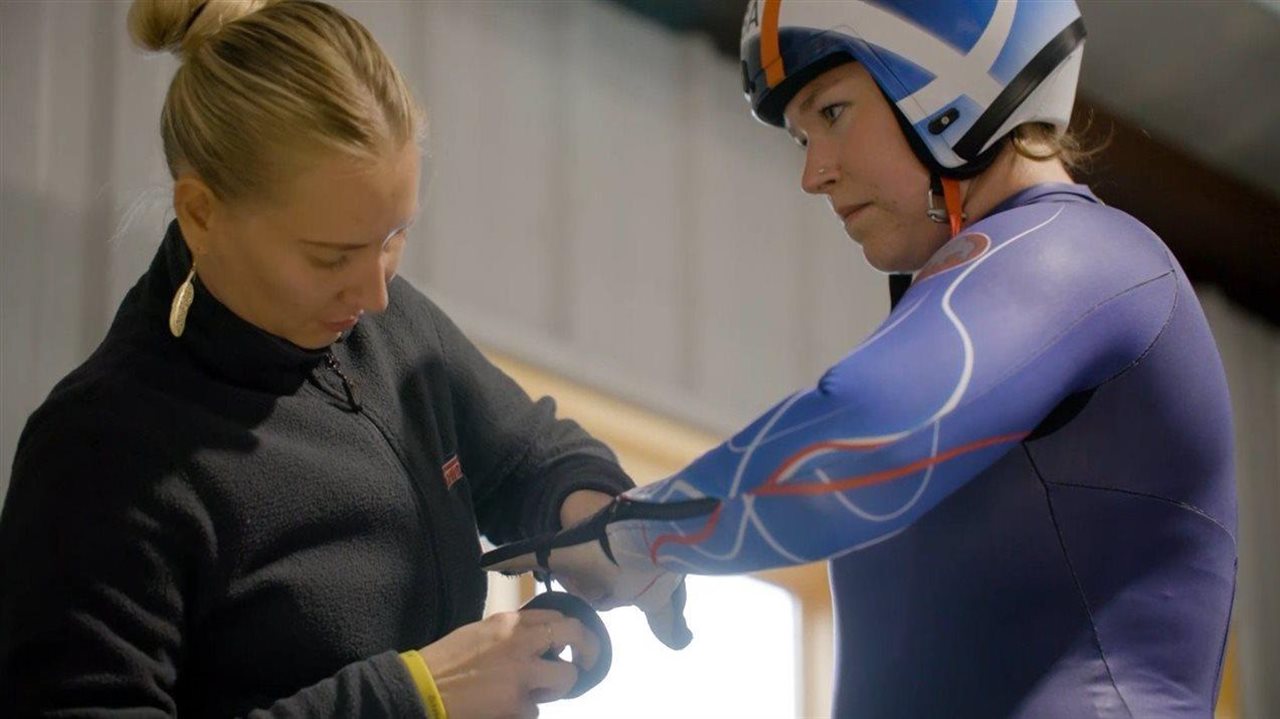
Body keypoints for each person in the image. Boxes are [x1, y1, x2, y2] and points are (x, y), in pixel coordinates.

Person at [484, 1, 1238, 717]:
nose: (814, 174)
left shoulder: (1090, 259)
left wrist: (636, 534)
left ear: (950, 72)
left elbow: (861, 437)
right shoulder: (996, 301)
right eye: (803, 139)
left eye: (833, 114)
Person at [0, 1, 689, 717]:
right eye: (331, 256)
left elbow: (529, 456)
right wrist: (417, 695)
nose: (376, 294)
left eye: (393, 237)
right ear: (202, 212)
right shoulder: (103, 452)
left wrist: (597, 522)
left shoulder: (386, 331)